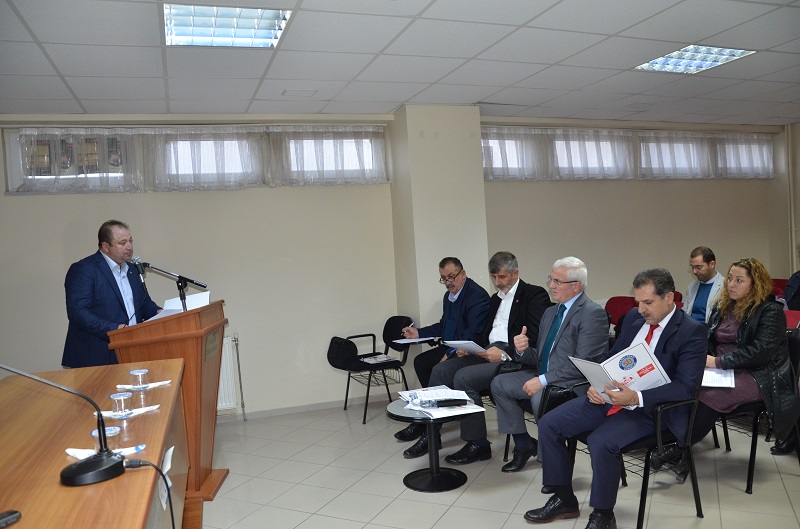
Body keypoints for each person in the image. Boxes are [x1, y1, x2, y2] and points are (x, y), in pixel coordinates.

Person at [525, 269, 706, 529]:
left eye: (648, 302)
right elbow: (614, 357)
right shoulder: (633, 318)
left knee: (601, 441)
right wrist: (596, 382)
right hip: (612, 396)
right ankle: (564, 499)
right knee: (549, 424)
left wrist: (637, 397)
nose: (641, 309)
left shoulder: (691, 331)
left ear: (669, 298)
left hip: (652, 409)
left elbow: (686, 387)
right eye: (638, 302)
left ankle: (603, 514)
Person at [400, 252, 552, 460]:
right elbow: (483, 333)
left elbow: (535, 338)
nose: (497, 282)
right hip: (487, 350)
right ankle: (431, 433)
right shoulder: (495, 299)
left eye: (502, 277)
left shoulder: (534, 295)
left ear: (515, 273)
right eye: (494, 277)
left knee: (464, 377)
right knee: (441, 370)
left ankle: (478, 443)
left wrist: (506, 353)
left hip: (513, 358)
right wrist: (468, 347)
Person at [660, 258, 800, 466]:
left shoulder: (770, 311)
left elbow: (761, 352)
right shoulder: (723, 306)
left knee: (709, 395)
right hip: (722, 369)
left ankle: (680, 449)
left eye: (739, 280)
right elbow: (709, 340)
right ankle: (673, 441)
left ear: (755, 284)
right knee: (684, 384)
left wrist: (717, 362)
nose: (731, 284)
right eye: (730, 278)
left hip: (759, 375)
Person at [490, 256, 608, 473]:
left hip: (572, 384)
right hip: (544, 376)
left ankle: (551, 463)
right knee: (500, 384)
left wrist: (542, 381)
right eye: (551, 279)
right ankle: (524, 444)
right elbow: (540, 356)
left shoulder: (592, 314)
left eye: (557, 281)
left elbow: (583, 364)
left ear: (576, 286)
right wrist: (522, 350)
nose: (551, 286)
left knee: (540, 397)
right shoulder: (550, 312)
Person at [394, 257, 490, 447]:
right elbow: (443, 325)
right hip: (451, 347)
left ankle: (430, 429)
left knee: (440, 369)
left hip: (470, 352)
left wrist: (449, 353)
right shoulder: (449, 297)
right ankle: (433, 412)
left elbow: (472, 334)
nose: (448, 282)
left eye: (451, 277)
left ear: (463, 274)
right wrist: (418, 332)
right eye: (444, 278)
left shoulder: (476, 296)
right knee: (421, 362)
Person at [62, 220, 161, 368]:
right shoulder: (84, 269)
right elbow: (78, 312)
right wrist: (115, 329)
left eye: (130, 241)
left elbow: (143, 303)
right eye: (122, 243)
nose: (129, 247)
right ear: (105, 246)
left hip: (132, 351)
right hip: (96, 356)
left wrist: (161, 313)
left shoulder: (132, 270)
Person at [683, 246, 724, 323]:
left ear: (712, 264)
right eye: (692, 267)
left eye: (699, 267)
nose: (694, 271)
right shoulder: (691, 287)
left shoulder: (725, 287)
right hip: (690, 327)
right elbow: (685, 312)